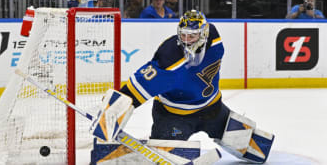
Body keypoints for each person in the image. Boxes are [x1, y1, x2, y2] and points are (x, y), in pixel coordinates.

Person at [107, 10, 273, 163]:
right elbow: (136, 89)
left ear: (203, 34)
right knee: (159, 159)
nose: (186, 40)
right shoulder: (169, 59)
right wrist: (111, 112)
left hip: (212, 109)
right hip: (174, 117)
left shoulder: (214, 38)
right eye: (183, 35)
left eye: (192, 36)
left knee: (258, 150)